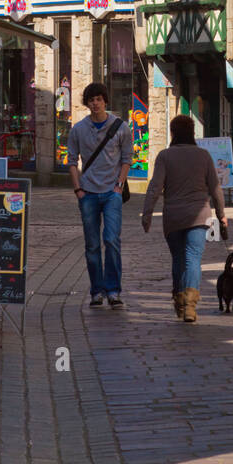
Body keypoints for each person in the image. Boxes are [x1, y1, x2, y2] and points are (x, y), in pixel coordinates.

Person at [141, 114, 228, 323]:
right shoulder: (204, 155)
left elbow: (155, 187)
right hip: (199, 216)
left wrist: (147, 213)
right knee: (193, 259)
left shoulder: (165, 156)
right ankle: (190, 305)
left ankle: (179, 302)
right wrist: (221, 215)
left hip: (173, 217)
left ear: (172, 133)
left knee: (178, 259)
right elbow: (216, 189)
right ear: (192, 133)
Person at [67, 83, 133, 308]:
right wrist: (78, 190)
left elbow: (126, 159)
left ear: (105, 101)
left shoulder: (121, 127)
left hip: (111, 193)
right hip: (88, 193)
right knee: (92, 244)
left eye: (98, 99)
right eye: (91, 100)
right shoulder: (78, 129)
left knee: (112, 240)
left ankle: (113, 290)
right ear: (87, 103)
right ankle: (97, 290)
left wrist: (119, 185)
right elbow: (71, 161)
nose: (95, 103)